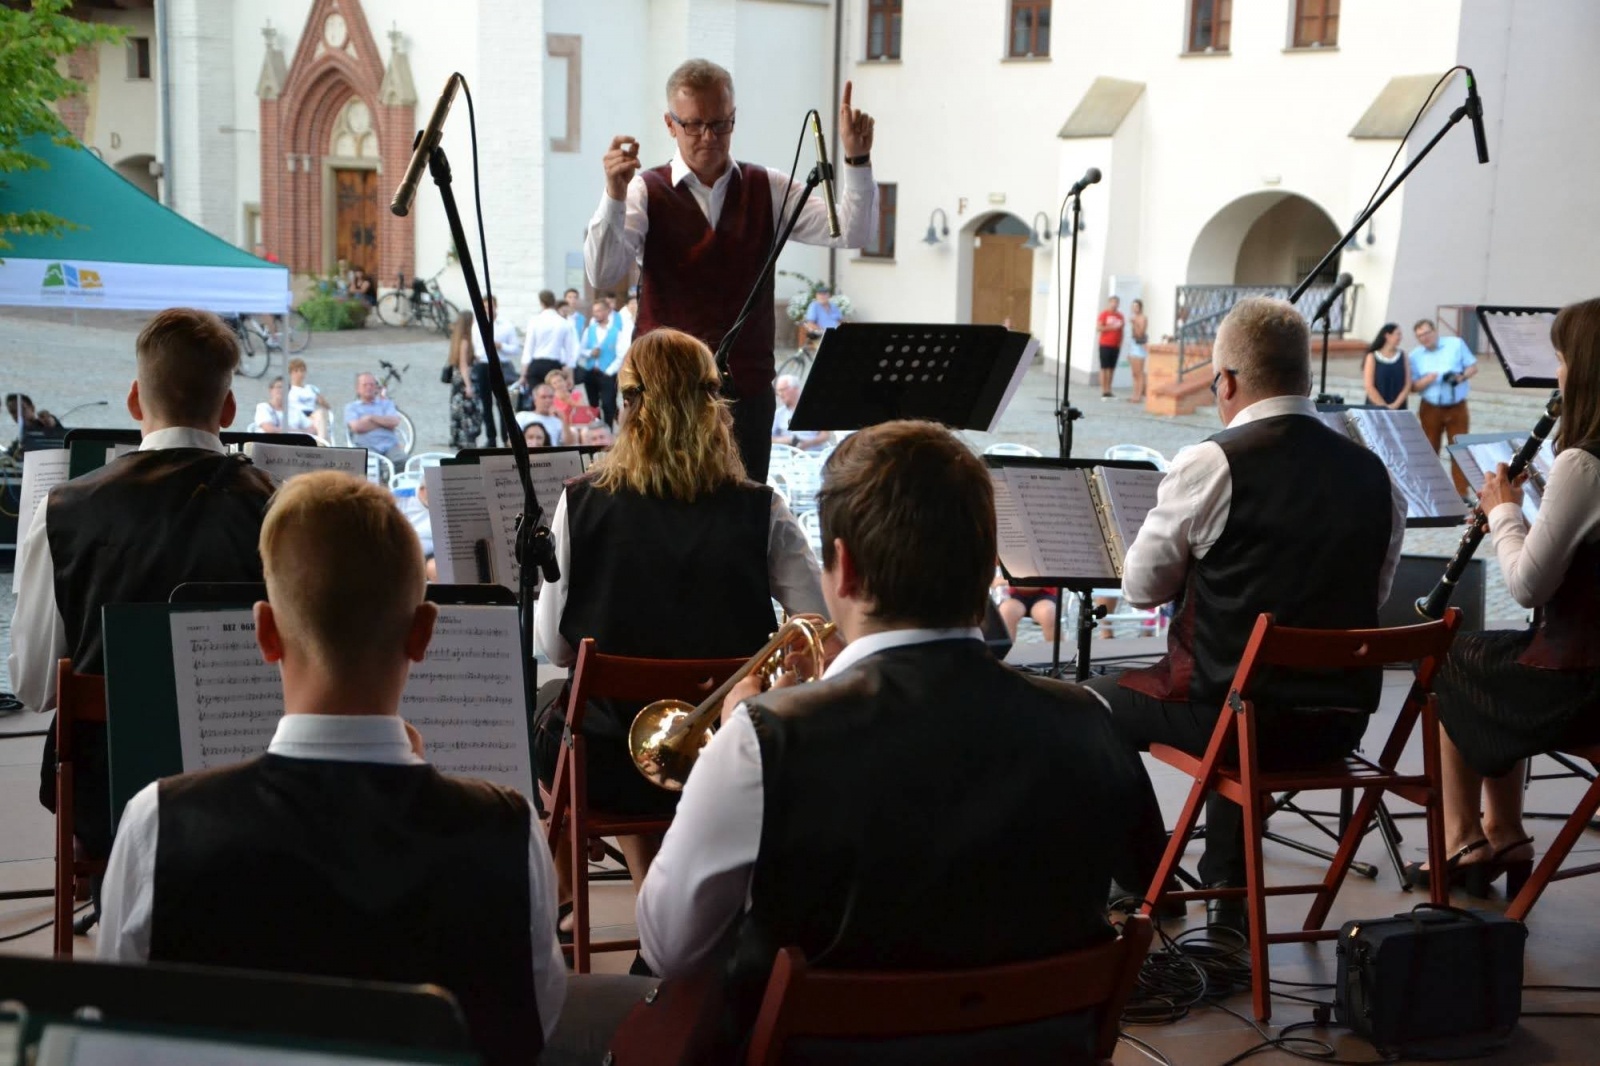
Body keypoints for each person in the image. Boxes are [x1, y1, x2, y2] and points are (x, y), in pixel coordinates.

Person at [635, 420, 1146, 1051]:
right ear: (988, 568)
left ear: (844, 568)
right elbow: (1138, 876)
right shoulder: (1089, 718)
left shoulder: (764, 739)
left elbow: (669, 947)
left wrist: (734, 747)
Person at [95, 472, 572, 1066]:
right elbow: (533, 1023)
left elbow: (115, 1036)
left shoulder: (157, 824)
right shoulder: (507, 829)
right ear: (423, 632)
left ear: (265, 632)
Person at [1086, 297, 1406, 936]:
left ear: (1226, 381)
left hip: (1234, 721)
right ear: (1305, 377)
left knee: (1092, 702)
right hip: (1338, 725)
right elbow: (1372, 596)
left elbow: (1142, 588)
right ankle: (1226, 907)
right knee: (1245, 683)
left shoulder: (1212, 462)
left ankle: (1149, 881)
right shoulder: (1376, 475)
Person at [533, 328, 824, 898]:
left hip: (609, 767)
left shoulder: (581, 501)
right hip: (727, 757)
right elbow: (815, 622)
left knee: (555, 709)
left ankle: (595, 893)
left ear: (628, 406)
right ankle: (666, 891)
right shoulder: (762, 508)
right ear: (714, 407)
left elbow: (557, 648)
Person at [8, 308, 275, 910]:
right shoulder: (275, 506)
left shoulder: (63, 509)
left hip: (107, 796)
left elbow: (34, 687)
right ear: (229, 409)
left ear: (134, 399)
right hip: (244, 787)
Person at [585, 59, 878, 482]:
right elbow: (602, 272)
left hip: (748, 393)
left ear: (734, 118)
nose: (709, 136)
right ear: (670, 124)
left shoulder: (766, 186)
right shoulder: (646, 190)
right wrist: (613, 196)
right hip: (661, 394)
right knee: (656, 507)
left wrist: (857, 159)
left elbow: (850, 231)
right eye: (694, 125)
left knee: (745, 513)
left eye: (721, 124)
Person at [1423, 297, 1600, 896]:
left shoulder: (1584, 464)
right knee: (1497, 653)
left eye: (1562, 360)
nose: (1558, 374)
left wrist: (1503, 512)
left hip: (1583, 686)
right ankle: (1504, 830)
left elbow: (1527, 585)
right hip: (1589, 666)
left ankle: (1464, 838)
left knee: (1454, 654)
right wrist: (1539, 513)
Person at [1409, 318, 1478, 496]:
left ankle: (1462, 494)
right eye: (1420, 336)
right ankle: (1430, 492)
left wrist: (1461, 377)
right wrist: (1428, 379)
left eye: (1427, 333)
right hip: (1430, 407)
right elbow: (1413, 387)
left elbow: (1472, 367)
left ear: (1435, 331)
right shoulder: (1415, 356)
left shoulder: (1455, 344)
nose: (1425, 338)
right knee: (1430, 449)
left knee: (1459, 448)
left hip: (1456, 406)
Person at [471, 295, 521, 447]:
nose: (488, 310)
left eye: (490, 306)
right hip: (483, 364)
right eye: (485, 307)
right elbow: (476, 346)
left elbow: (516, 348)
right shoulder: (476, 325)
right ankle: (491, 437)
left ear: (496, 306)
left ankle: (506, 437)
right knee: (486, 403)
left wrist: (501, 346)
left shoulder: (506, 325)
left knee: (503, 403)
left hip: (501, 365)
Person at [523, 289, 581, 394]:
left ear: (541, 303)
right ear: (554, 302)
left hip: (536, 364)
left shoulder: (534, 321)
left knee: (536, 397)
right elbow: (570, 353)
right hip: (554, 365)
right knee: (554, 398)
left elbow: (528, 349)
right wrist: (570, 377)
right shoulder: (564, 323)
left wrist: (523, 374)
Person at [345, 372, 408, 465]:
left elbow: (394, 422)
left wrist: (370, 418)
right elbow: (357, 427)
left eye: (371, 384)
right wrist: (384, 423)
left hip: (390, 446)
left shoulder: (386, 404)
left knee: (404, 462)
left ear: (376, 387)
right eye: (365, 385)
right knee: (370, 465)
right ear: (357, 389)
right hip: (366, 446)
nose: (369, 387)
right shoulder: (351, 407)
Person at [578, 299, 623, 427]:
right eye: (594, 311)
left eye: (599, 311)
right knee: (593, 405)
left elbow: (620, 355)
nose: (596, 314)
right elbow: (581, 350)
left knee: (608, 404)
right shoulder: (589, 330)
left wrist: (609, 372)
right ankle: (596, 430)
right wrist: (590, 353)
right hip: (591, 372)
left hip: (608, 374)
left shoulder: (616, 332)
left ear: (607, 311)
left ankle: (608, 429)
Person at [447, 312, 484, 449]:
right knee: (469, 413)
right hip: (465, 382)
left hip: (458, 381)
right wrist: (468, 385)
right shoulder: (465, 341)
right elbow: (463, 365)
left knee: (461, 412)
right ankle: (466, 441)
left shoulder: (457, 339)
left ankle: (460, 439)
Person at [769, 374, 831, 452]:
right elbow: (769, 438)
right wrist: (788, 440)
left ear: (795, 389)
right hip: (788, 455)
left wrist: (807, 443)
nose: (780, 394)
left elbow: (825, 435)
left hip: (813, 454)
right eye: (778, 391)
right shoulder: (779, 414)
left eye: (783, 390)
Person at [1363, 322, 1412, 410]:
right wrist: (1385, 407)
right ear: (1387, 336)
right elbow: (1369, 386)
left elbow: (1407, 384)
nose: (1400, 337)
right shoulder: (1372, 356)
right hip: (1376, 407)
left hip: (1398, 407)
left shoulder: (1403, 355)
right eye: (1398, 334)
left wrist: (1395, 405)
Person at [4, 392, 68, 458]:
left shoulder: (44, 423)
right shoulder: (20, 440)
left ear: (32, 408)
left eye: (22, 409)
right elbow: (8, 455)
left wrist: (51, 421)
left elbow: (56, 428)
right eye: (13, 412)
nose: (18, 414)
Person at [286, 357, 332, 440]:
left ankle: (321, 441)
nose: (300, 374)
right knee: (321, 423)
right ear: (291, 373)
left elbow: (327, 406)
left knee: (321, 414)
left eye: (302, 371)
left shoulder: (311, 388)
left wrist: (322, 401)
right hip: (297, 417)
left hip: (312, 416)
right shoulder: (288, 390)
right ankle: (322, 442)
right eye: (296, 371)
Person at [1097, 295, 1125, 400]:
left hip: (1115, 345)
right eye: (1112, 302)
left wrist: (1120, 343)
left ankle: (1109, 390)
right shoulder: (1104, 314)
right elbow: (1099, 327)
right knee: (1104, 368)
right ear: (1109, 303)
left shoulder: (1120, 316)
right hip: (1105, 344)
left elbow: (1121, 331)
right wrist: (1111, 327)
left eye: (1116, 302)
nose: (1114, 304)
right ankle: (1103, 390)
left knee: (1112, 368)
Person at [797, 283, 843, 348]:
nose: (822, 297)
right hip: (822, 334)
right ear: (816, 296)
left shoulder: (834, 306)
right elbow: (810, 324)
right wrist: (824, 331)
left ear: (829, 295)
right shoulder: (814, 306)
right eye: (820, 295)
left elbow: (840, 321)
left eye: (824, 294)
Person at [1128, 298, 1149, 403]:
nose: (1134, 308)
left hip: (1139, 346)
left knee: (1139, 372)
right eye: (1133, 306)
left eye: (1136, 306)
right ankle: (1134, 394)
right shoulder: (1134, 317)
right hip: (1133, 344)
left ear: (1140, 307)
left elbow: (1140, 333)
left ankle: (1139, 395)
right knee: (1134, 373)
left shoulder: (1143, 318)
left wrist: (1135, 323)